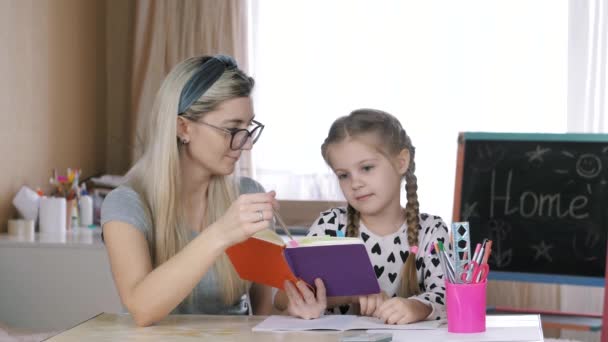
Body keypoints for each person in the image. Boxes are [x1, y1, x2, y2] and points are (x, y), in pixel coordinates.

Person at [101, 55, 277, 327]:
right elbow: (142, 308)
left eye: (248, 128)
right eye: (232, 129)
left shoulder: (248, 194)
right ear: (183, 127)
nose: (246, 144)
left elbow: (264, 316)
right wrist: (221, 232)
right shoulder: (126, 204)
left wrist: (297, 307)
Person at [275, 109, 449, 324]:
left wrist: (417, 307)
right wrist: (346, 296)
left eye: (366, 168)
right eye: (344, 175)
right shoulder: (331, 226)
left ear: (401, 161)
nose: (355, 183)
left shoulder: (431, 231)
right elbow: (282, 298)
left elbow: (449, 296)